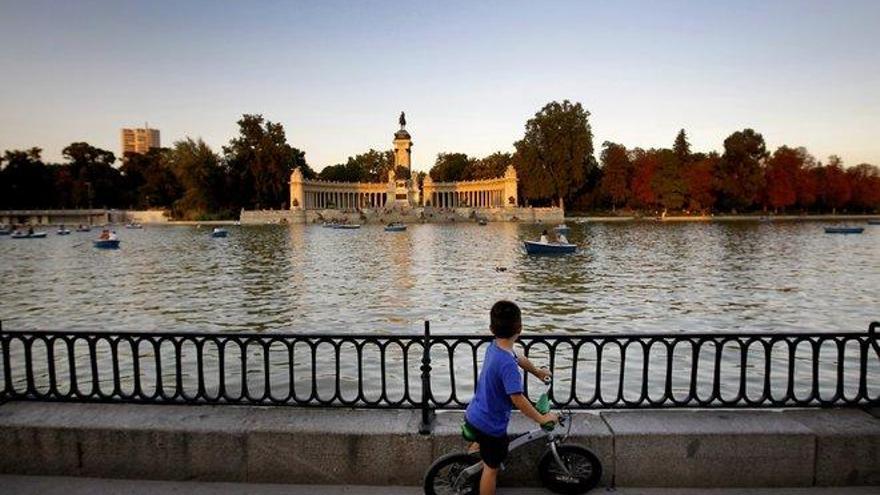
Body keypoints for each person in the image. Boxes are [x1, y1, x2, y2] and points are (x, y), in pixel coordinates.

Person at [464, 301, 556, 495]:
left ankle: (477, 449)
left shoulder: (495, 347)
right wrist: (541, 418)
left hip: (475, 413)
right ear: (520, 328)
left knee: (488, 449)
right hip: (490, 424)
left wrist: (537, 372)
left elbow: (518, 357)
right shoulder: (507, 365)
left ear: (491, 329)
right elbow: (517, 399)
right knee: (491, 470)